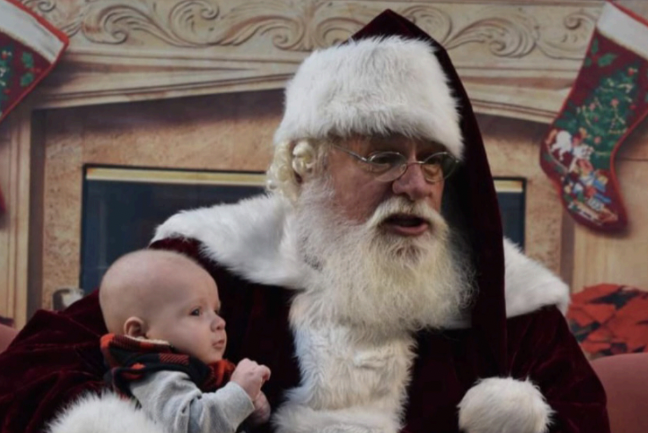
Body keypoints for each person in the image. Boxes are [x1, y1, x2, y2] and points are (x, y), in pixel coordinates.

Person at [0, 10, 609, 433]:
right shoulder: (208, 262)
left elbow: (581, 415)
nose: (416, 184)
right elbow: (35, 371)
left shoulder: (507, 302)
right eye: (385, 156)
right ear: (309, 165)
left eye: (432, 161)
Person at [88, 249, 270, 433]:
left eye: (216, 311)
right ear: (139, 333)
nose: (220, 323)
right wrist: (239, 393)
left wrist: (250, 411)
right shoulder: (154, 375)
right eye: (196, 312)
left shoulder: (197, 368)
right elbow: (191, 426)